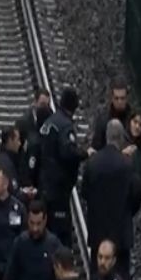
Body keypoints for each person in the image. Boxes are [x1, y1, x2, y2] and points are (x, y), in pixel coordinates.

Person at [81, 119, 141, 278]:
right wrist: (128, 212)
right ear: (121, 138)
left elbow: (84, 192)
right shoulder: (127, 165)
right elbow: (136, 194)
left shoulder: (93, 163)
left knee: (97, 277)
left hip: (98, 231)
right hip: (121, 232)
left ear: (106, 137)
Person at [37, 89, 87, 245]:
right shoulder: (65, 125)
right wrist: (84, 153)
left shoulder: (49, 122)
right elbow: (67, 152)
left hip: (45, 184)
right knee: (60, 235)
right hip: (59, 189)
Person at [14, 89, 52, 194]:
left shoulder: (49, 119)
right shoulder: (23, 122)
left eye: (47, 105)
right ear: (35, 103)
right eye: (42, 104)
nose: (44, 108)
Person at [89, 80, 133, 153]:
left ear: (126, 98)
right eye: (116, 98)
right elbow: (95, 149)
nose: (119, 102)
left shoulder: (133, 120)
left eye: (122, 98)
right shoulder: (103, 121)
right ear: (112, 98)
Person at [0, 126, 23, 198]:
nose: (19, 143)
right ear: (10, 140)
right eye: (17, 140)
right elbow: (13, 191)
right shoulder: (6, 164)